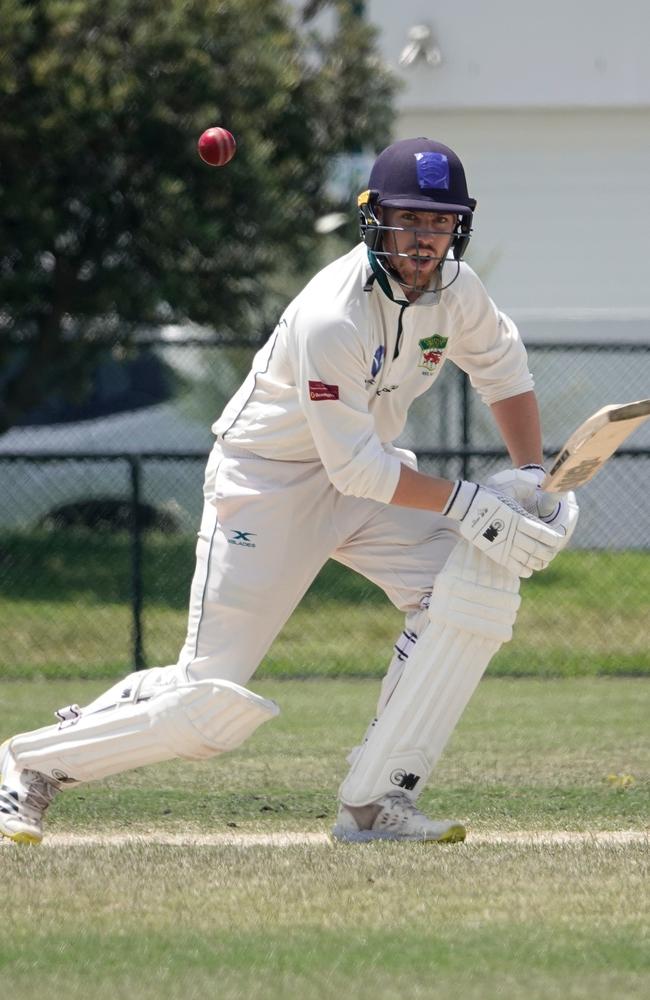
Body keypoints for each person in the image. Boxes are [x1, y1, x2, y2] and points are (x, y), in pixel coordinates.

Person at [0, 137, 578, 845]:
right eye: (409, 220)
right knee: (205, 709)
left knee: (468, 598)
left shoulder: (455, 291)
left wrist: (526, 478)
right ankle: (27, 765)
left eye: (440, 222)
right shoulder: (330, 315)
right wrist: (470, 505)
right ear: (373, 219)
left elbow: (503, 370)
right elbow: (356, 470)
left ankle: (374, 802)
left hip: (366, 478)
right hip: (269, 486)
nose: (424, 239)